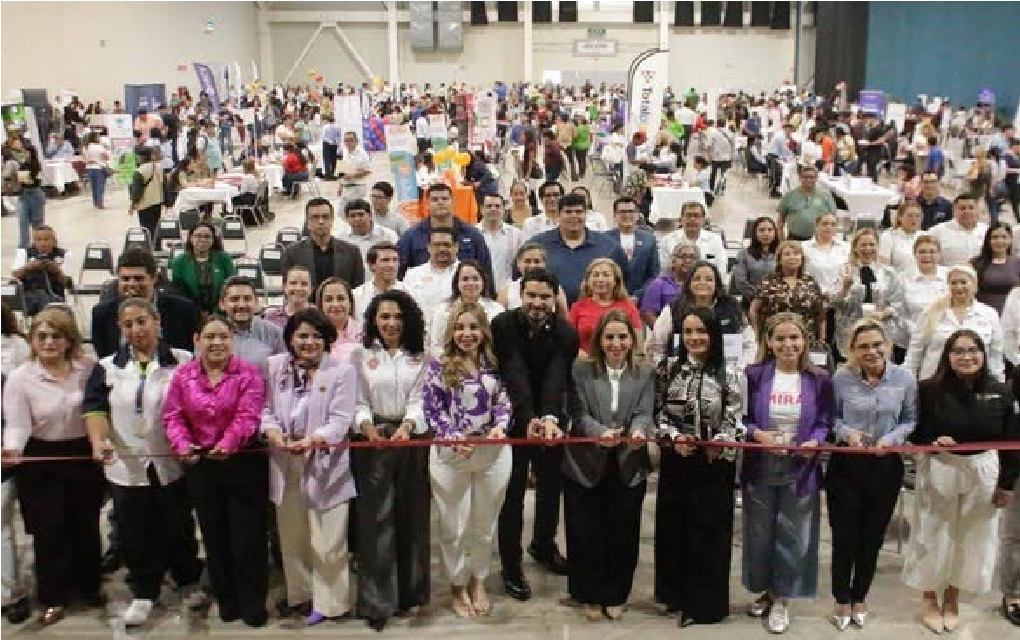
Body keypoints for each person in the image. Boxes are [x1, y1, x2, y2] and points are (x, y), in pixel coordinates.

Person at [83, 298, 205, 627]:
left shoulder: (183, 360)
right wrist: (99, 441)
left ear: (156, 321)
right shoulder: (107, 366)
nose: (136, 329)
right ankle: (144, 591)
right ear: (120, 329)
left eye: (142, 321)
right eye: (128, 324)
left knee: (178, 525)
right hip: (126, 465)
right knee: (135, 530)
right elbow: (95, 408)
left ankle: (188, 580)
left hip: (172, 462)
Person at [903, 329, 1019, 633]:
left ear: (983, 354)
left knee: (973, 536)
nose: (966, 357)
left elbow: (1011, 439)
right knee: (932, 533)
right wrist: (932, 440)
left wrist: (1006, 484)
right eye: (958, 351)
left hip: (984, 469)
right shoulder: (928, 390)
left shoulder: (1001, 392)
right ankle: (929, 598)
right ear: (947, 356)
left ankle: (952, 597)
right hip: (941, 465)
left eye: (972, 350)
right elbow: (914, 430)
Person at [162, 314, 269, 627]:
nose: (217, 342)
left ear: (232, 341)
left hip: (242, 462)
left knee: (247, 538)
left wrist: (228, 444)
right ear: (196, 340)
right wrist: (182, 444)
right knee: (214, 536)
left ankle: (252, 600)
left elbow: (249, 415)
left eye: (223, 336)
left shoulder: (247, 373)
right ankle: (227, 598)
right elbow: (173, 416)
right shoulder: (183, 375)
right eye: (210, 337)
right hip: (201, 466)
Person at [2, 308, 104, 626]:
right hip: (40, 459)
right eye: (42, 336)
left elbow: (98, 409)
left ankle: (89, 585)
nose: (49, 342)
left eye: (56, 336)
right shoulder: (20, 377)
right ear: (32, 340)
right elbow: (17, 424)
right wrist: (12, 449)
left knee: (85, 524)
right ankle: (53, 595)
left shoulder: (88, 368)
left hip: (82, 454)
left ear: (69, 340)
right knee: (50, 529)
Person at [262, 308, 356, 626]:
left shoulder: (342, 371)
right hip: (285, 461)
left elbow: (341, 420)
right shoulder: (275, 366)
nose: (309, 342)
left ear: (327, 340)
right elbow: (265, 409)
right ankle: (301, 596)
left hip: (325, 464)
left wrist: (313, 439)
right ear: (290, 338)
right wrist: (273, 432)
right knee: (293, 537)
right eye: (302, 335)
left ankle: (332, 603)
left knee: (329, 541)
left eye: (316, 336)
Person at [742, 311, 832, 634]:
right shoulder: (754, 375)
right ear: (769, 342)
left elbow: (824, 422)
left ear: (804, 341)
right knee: (760, 534)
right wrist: (759, 435)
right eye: (780, 338)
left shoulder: (819, 378)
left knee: (793, 535)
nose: (787, 344)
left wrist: (814, 442)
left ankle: (783, 598)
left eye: (794, 337)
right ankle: (767, 591)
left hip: (800, 467)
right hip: (761, 464)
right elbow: (743, 418)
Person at [653, 307, 744, 627]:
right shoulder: (667, 368)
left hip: (713, 464)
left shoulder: (730, 373)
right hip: (677, 460)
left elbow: (735, 418)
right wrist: (673, 436)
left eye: (701, 331)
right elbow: (657, 413)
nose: (694, 338)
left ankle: (704, 604)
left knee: (708, 533)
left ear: (714, 334)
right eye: (688, 332)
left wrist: (720, 441)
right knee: (674, 529)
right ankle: (673, 596)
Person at [491, 268, 579, 600]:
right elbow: (513, 371)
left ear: (555, 298)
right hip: (513, 418)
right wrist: (528, 417)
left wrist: (549, 418)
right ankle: (511, 565)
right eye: (531, 295)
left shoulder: (566, 333)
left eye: (545, 296)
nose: (538, 302)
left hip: (551, 418)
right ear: (521, 295)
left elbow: (557, 376)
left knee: (550, 487)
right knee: (512, 494)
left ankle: (543, 545)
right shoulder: (503, 325)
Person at [423, 301, 512, 618]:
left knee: (484, 525)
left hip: (492, 454)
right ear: (451, 332)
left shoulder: (495, 364)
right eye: (460, 327)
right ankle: (457, 586)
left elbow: (504, 402)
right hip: (451, 456)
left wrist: (501, 426)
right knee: (454, 526)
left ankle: (478, 580)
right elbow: (432, 410)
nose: (467, 333)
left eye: (473, 327)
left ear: (483, 331)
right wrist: (452, 436)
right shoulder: (438, 365)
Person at [827, 319, 917, 630]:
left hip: (885, 465)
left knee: (872, 537)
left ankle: (860, 596)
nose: (871, 351)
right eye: (863, 346)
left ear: (888, 346)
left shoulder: (904, 378)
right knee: (844, 536)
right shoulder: (841, 378)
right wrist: (848, 434)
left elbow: (910, 420)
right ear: (852, 350)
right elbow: (832, 418)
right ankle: (841, 598)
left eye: (877, 345)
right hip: (846, 465)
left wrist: (890, 440)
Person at [564, 309, 653, 622]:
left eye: (622, 337)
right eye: (610, 337)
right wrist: (600, 433)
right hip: (585, 463)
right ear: (599, 340)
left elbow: (644, 412)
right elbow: (578, 414)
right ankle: (589, 594)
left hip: (628, 462)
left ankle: (616, 594)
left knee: (623, 533)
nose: (616, 343)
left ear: (632, 339)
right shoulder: (580, 371)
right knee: (585, 532)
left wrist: (639, 431)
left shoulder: (645, 373)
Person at [350, 290, 430, 632]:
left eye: (398, 317)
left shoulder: (421, 356)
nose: (391, 323)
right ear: (373, 320)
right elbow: (357, 399)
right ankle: (377, 601)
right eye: (384, 317)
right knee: (375, 520)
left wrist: (408, 426)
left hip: (412, 439)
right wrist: (367, 426)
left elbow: (421, 399)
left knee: (412, 516)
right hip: (373, 440)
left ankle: (411, 594)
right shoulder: (360, 354)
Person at [91, 248, 200, 358]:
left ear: (154, 278)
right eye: (125, 279)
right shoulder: (101, 314)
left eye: (138, 278)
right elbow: (104, 358)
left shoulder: (183, 310)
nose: (132, 284)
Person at [904, 264, 1004, 382]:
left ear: (974, 285)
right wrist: (907, 385)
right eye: (954, 283)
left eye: (963, 282)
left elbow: (995, 356)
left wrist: (999, 384)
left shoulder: (989, 314)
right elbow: (914, 354)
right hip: (934, 383)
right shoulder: (930, 312)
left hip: (977, 383)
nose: (958, 287)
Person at [533, 193, 628, 305]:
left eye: (579, 212)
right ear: (558, 214)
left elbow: (624, 282)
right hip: (549, 311)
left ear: (586, 214)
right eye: (568, 212)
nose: (574, 216)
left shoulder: (609, 246)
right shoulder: (538, 245)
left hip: (596, 312)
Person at [649, 260, 745, 362]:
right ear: (688, 283)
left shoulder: (732, 307)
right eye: (697, 279)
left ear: (717, 284)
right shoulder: (673, 309)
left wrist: (742, 366)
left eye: (709, 279)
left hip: (727, 367)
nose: (702, 283)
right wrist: (662, 366)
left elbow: (748, 343)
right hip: (680, 368)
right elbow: (657, 345)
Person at [831, 228, 904, 360]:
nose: (868, 249)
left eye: (872, 244)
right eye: (863, 245)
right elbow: (834, 303)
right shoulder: (844, 271)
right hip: (850, 333)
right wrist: (845, 288)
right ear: (855, 248)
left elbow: (898, 303)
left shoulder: (888, 273)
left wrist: (883, 313)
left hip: (880, 331)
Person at [397, 183, 493, 280]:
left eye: (445, 199)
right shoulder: (411, 236)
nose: (440, 202)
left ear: (453, 203)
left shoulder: (472, 234)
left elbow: (485, 270)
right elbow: (399, 272)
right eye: (435, 199)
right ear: (427, 204)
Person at [282, 197, 365, 291]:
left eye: (325, 217)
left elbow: (358, 289)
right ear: (307, 222)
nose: (321, 221)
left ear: (332, 220)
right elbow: (287, 288)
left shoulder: (352, 252)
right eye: (315, 217)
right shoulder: (292, 253)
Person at [568, 258, 642, 356]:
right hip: (585, 361)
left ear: (616, 280)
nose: (600, 279)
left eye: (606, 275)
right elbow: (568, 342)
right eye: (596, 275)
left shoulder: (628, 306)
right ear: (588, 280)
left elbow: (638, 344)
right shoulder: (577, 307)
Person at [428, 260, 504, 355]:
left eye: (475, 278)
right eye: (465, 279)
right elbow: (436, 346)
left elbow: (501, 343)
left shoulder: (497, 309)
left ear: (483, 281)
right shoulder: (442, 310)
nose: (471, 283)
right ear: (457, 283)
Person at [893, 235, 948, 363]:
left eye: (932, 252)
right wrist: (918, 332)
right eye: (922, 252)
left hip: (944, 341)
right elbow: (898, 312)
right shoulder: (902, 279)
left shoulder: (949, 276)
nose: (927, 256)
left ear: (939, 254)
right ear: (914, 254)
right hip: (909, 342)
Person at [168, 221, 236, 314]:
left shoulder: (224, 258)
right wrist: (197, 313)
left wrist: (217, 312)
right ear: (191, 238)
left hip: (221, 311)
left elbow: (231, 287)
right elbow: (179, 292)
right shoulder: (179, 262)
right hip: (189, 311)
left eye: (207, 236)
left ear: (213, 239)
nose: (203, 240)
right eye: (198, 236)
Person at [606, 196, 660, 303]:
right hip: (611, 299)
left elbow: (654, 274)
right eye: (622, 212)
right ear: (615, 215)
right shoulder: (604, 239)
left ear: (638, 214)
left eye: (631, 211)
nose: (627, 215)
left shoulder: (649, 240)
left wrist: (638, 296)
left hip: (641, 301)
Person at [9, 225, 71, 315]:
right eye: (38, 240)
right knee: (40, 296)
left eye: (46, 239)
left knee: (43, 297)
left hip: (54, 295)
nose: (42, 243)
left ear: (54, 241)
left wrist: (57, 271)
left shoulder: (64, 255)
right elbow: (14, 275)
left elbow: (68, 283)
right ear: (34, 242)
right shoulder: (24, 253)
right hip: (28, 296)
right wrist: (27, 267)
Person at [659, 202, 728, 280]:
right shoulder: (667, 241)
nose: (692, 219)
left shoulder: (715, 241)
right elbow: (663, 270)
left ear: (703, 220)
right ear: (681, 219)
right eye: (688, 215)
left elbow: (721, 271)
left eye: (696, 216)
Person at [495, 242, 569, 314]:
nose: (532, 266)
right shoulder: (506, 291)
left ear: (544, 264)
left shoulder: (556, 289)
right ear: (518, 263)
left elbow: (564, 318)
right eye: (527, 261)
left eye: (537, 261)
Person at [639, 242, 699, 327]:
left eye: (692, 257)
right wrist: (664, 331)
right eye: (683, 256)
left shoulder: (700, 284)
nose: (687, 261)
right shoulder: (659, 283)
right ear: (673, 261)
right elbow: (647, 313)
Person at [336, 198, 399, 273]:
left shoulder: (388, 235)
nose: (357, 219)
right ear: (347, 218)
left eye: (361, 215)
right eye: (352, 216)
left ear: (370, 215)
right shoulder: (340, 238)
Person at [477, 192, 524, 292]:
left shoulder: (516, 235)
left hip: (508, 292)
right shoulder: (473, 234)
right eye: (489, 206)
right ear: (481, 209)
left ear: (503, 209)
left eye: (497, 206)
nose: (493, 209)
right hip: (479, 292)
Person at [778, 165, 837, 241]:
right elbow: (780, 219)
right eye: (805, 177)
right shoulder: (789, 195)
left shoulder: (825, 195)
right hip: (795, 238)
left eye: (812, 177)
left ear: (816, 178)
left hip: (818, 239)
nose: (808, 179)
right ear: (800, 178)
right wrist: (781, 238)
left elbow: (833, 218)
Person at [351, 242, 408, 320]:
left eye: (395, 260)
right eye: (385, 260)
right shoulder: (356, 297)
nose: (391, 265)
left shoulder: (411, 294)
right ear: (371, 265)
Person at [972, 222, 1020, 314]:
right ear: (988, 240)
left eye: (1004, 237)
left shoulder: (1018, 263)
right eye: (995, 237)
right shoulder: (976, 263)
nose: (999, 241)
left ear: (1010, 240)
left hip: (1012, 314)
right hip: (983, 314)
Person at [929, 194, 989, 267]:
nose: (967, 211)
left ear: (977, 210)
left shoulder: (986, 230)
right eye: (962, 208)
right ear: (954, 211)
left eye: (971, 208)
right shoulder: (937, 231)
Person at [731, 216, 780, 302]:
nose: (766, 233)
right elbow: (740, 282)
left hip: (778, 300)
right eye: (761, 230)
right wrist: (760, 298)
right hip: (751, 300)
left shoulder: (782, 254)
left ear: (775, 232)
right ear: (755, 233)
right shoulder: (744, 254)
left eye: (770, 230)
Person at [316, 277, 363, 361]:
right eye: (329, 299)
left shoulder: (364, 333)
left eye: (341, 298)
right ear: (321, 305)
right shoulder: (314, 334)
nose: (335, 304)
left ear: (350, 303)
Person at [128, 146, 165, 241]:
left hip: (145, 204)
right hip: (158, 201)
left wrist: (133, 205)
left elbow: (137, 191)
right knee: (156, 226)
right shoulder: (159, 167)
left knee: (146, 228)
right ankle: (157, 245)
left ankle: (149, 245)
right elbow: (164, 185)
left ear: (141, 157)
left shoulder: (139, 171)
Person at [878, 199, 924, 274]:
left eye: (918, 216)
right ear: (900, 217)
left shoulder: (924, 236)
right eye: (910, 216)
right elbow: (883, 266)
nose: (914, 219)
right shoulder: (888, 236)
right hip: (897, 279)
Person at [13, 140, 45, 250]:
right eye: (23, 152)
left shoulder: (36, 164)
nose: (24, 154)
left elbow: (32, 180)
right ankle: (23, 246)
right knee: (23, 220)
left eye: (26, 152)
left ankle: (39, 244)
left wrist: (24, 178)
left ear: (31, 153)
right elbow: (20, 179)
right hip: (23, 194)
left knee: (37, 222)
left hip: (35, 193)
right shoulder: (22, 164)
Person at [264, 264, 313, 329]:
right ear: (284, 287)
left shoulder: (320, 316)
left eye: (304, 284)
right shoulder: (270, 318)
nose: (298, 288)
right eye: (293, 283)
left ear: (311, 289)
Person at [337, 131, 372, 210]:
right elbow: (342, 171)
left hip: (357, 187)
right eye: (346, 140)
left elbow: (367, 171)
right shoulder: (345, 152)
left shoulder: (362, 154)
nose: (348, 143)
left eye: (351, 140)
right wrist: (340, 186)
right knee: (341, 211)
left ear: (356, 141)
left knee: (353, 210)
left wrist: (352, 175)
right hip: (346, 187)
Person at [83, 131, 111, 209]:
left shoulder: (86, 147)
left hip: (89, 168)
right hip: (99, 168)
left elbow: (85, 159)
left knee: (94, 187)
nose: (99, 138)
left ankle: (95, 202)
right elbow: (106, 157)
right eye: (98, 137)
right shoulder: (99, 147)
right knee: (100, 187)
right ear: (94, 138)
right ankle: (100, 203)